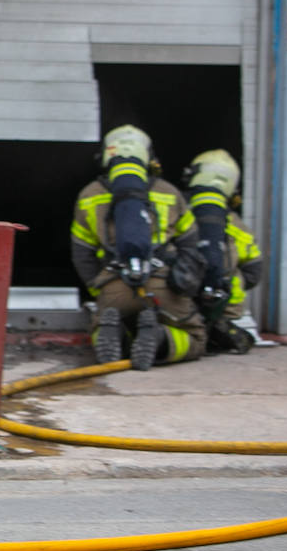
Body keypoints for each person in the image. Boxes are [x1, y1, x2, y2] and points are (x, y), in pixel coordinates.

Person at [70, 124, 206, 371]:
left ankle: (116, 336)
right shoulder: (169, 192)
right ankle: (160, 338)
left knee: (101, 325)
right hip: (163, 286)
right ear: (149, 158)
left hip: (113, 285)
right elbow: (191, 247)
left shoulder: (89, 195)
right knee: (195, 336)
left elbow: (82, 253)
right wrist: (183, 285)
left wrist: (99, 287)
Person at [182, 149, 262, 355]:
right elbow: (254, 272)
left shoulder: (179, 211)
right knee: (237, 272)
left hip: (179, 302)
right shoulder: (237, 226)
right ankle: (219, 326)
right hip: (224, 308)